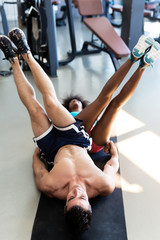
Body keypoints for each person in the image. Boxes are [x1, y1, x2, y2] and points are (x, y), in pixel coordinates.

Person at [0, 29, 160, 234]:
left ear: (65, 205)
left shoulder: (50, 187)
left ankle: (15, 58)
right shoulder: (103, 185)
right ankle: (26, 53)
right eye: (82, 197)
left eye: (71, 197)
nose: (76, 191)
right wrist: (114, 153)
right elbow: (112, 165)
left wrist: (36, 154)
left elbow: (38, 169)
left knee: (35, 107)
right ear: (89, 203)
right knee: (51, 102)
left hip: (50, 147)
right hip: (74, 138)